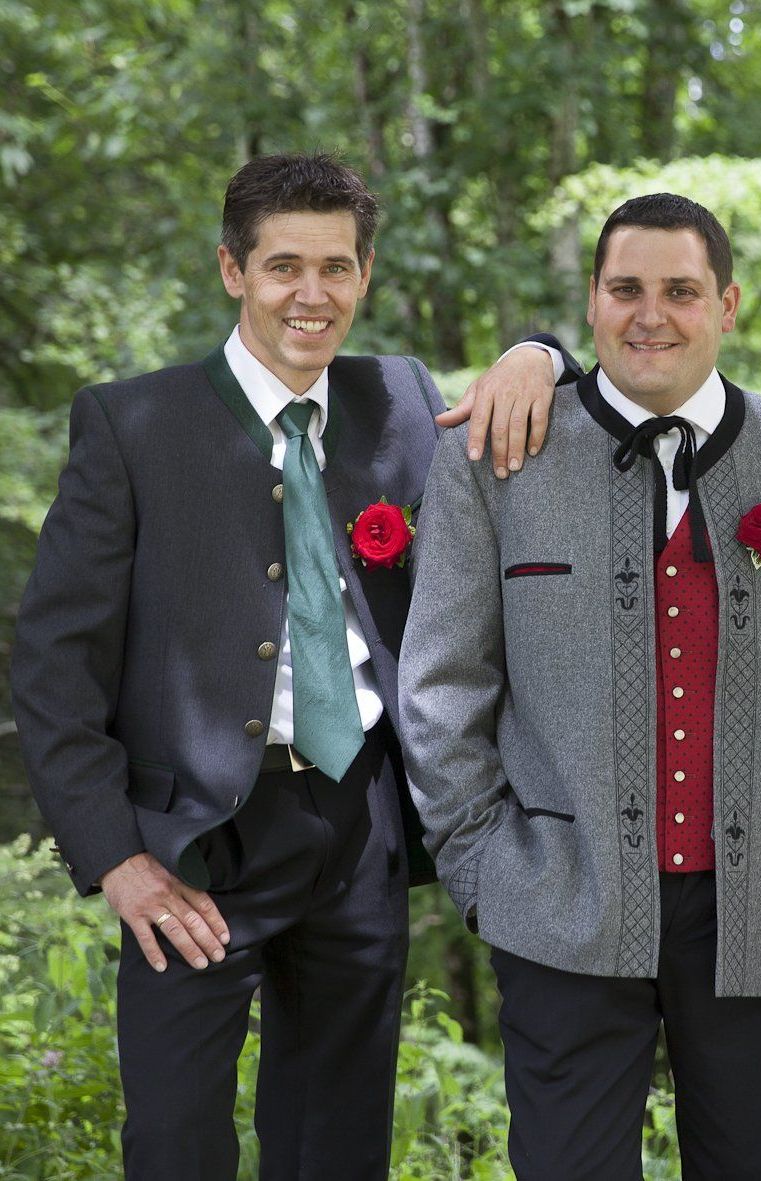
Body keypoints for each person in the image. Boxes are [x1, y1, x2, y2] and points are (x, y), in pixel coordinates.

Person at [9, 152, 560, 1180]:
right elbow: (51, 668)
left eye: (338, 268)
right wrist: (118, 856)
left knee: (337, 1139)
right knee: (175, 1141)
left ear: (362, 276)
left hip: (362, 823)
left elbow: (536, 397)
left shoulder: (398, 398)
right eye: (284, 267)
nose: (313, 294)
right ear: (233, 271)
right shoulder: (133, 424)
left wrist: (537, 349)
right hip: (195, 840)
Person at [399, 192, 761, 1180]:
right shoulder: (493, 458)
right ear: (590, 301)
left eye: (680, 290)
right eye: (625, 288)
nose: (649, 313)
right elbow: (440, 686)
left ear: (729, 304)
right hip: (558, 898)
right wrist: (484, 869)